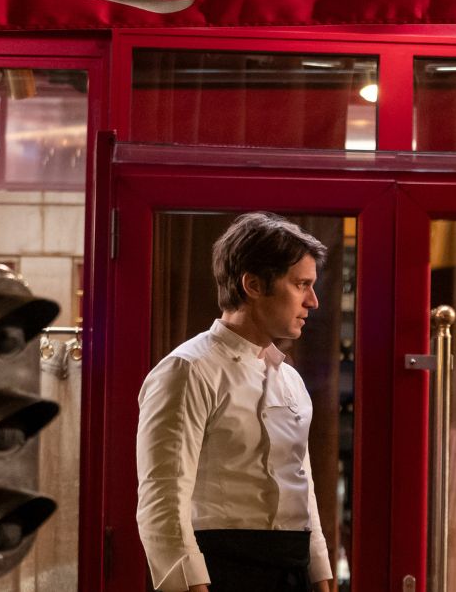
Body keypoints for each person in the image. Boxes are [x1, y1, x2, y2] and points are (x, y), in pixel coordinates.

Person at [136, 212, 336, 592]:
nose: (313, 300)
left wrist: (321, 575)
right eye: (301, 285)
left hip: (291, 569)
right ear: (254, 285)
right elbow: (162, 499)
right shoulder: (187, 369)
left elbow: (302, 486)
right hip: (220, 569)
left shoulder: (290, 379)